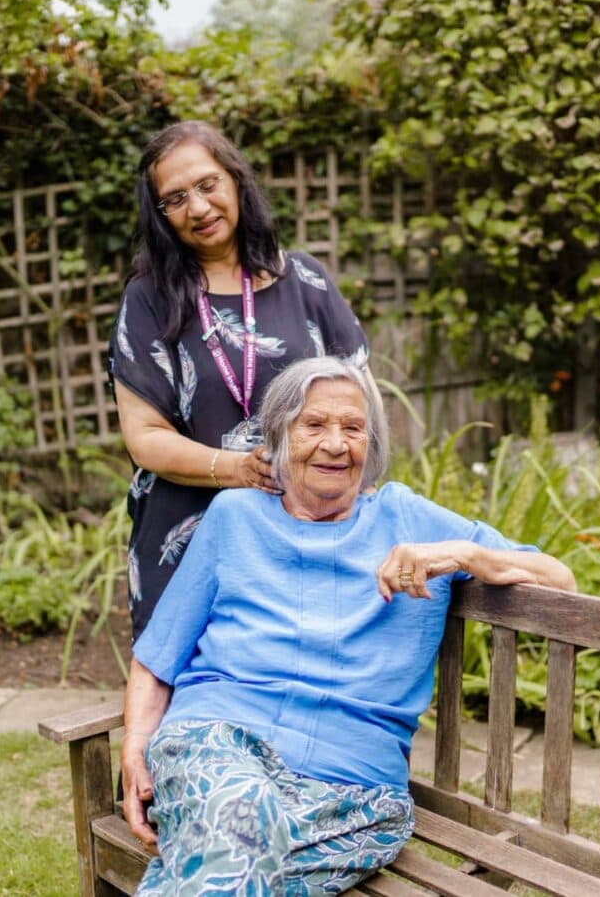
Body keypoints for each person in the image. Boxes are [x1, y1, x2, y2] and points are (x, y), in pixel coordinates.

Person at [121, 356, 576, 895]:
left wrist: (459, 554)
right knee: (240, 816)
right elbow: (161, 653)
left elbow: (560, 580)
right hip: (219, 745)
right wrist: (136, 743)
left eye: (353, 429)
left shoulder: (407, 520)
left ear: (371, 446)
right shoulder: (234, 516)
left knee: (230, 853)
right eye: (314, 425)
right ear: (281, 437)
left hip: (353, 791)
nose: (335, 444)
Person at [108, 121, 369, 641]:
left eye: (208, 185)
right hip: (187, 547)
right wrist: (238, 469)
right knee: (188, 705)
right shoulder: (148, 300)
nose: (199, 208)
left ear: (236, 181)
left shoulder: (308, 282)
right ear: (160, 215)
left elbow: (365, 412)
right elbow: (145, 438)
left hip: (307, 540)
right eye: (175, 199)